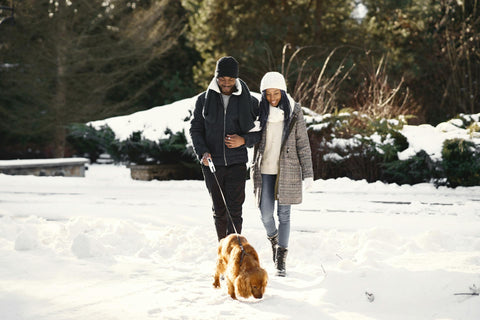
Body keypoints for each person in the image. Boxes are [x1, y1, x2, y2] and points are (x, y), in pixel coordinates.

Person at [189, 56, 259, 241]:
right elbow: (195, 129)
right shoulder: (203, 100)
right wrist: (202, 152)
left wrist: (243, 140)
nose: (226, 83)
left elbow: (261, 131)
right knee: (219, 210)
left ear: (236, 78)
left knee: (235, 211)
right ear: (216, 77)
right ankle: (223, 250)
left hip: (237, 162)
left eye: (230, 79)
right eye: (222, 79)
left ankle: (235, 250)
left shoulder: (250, 101)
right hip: (212, 163)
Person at [251, 71, 314, 277]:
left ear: (283, 92)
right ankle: (274, 240)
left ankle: (281, 258)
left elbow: (303, 144)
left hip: (287, 171)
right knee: (265, 214)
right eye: (268, 94)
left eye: (276, 93)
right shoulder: (259, 112)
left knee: (284, 215)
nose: (272, 98)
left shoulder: (294, 112)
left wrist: (308, 174)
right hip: (264, 171)